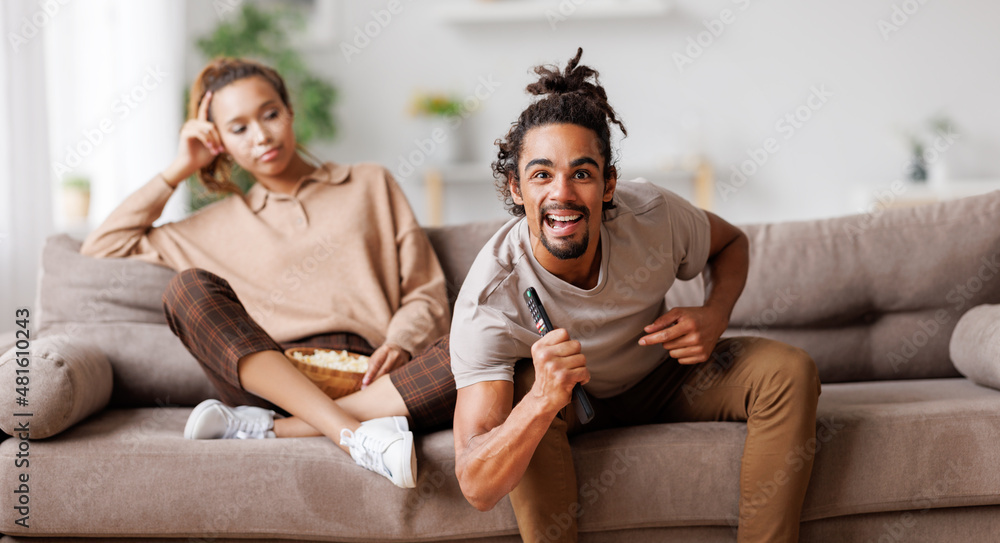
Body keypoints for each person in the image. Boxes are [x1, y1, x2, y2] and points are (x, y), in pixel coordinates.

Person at [449, 49, 821, 542]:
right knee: (523, 386)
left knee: (789, 371)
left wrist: (714, 314)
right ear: (516, 188)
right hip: (567, 402)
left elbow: (732, 244)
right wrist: (541, 399)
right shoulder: (489, 300)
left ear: (609, 185)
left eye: (581, 173)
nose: (562, 193)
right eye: (541, 175)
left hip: (661, 374)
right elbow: (476, 485)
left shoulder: (653, 214)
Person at [80, 57, 456, 489]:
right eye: (238, 128)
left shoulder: (370, 183)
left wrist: (401, 342)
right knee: (186, 288)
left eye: (270, 114)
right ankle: (356, 433)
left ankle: (267, 429)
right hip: (275, 383)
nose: (261, 136)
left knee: (485, 341)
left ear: (289, 111)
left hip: (380, 372)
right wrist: (180, 167)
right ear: (218, 140)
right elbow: (103, 244)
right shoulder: (212, 225)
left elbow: (425, 290)